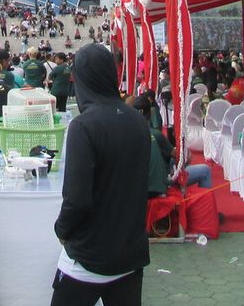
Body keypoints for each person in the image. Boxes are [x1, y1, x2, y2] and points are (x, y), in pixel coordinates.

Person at [51, 43, 149, 306]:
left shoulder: (84, 126)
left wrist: (61, 228)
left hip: (87, 256)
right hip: (128, 252)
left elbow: (77, 198)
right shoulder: (138, 121)